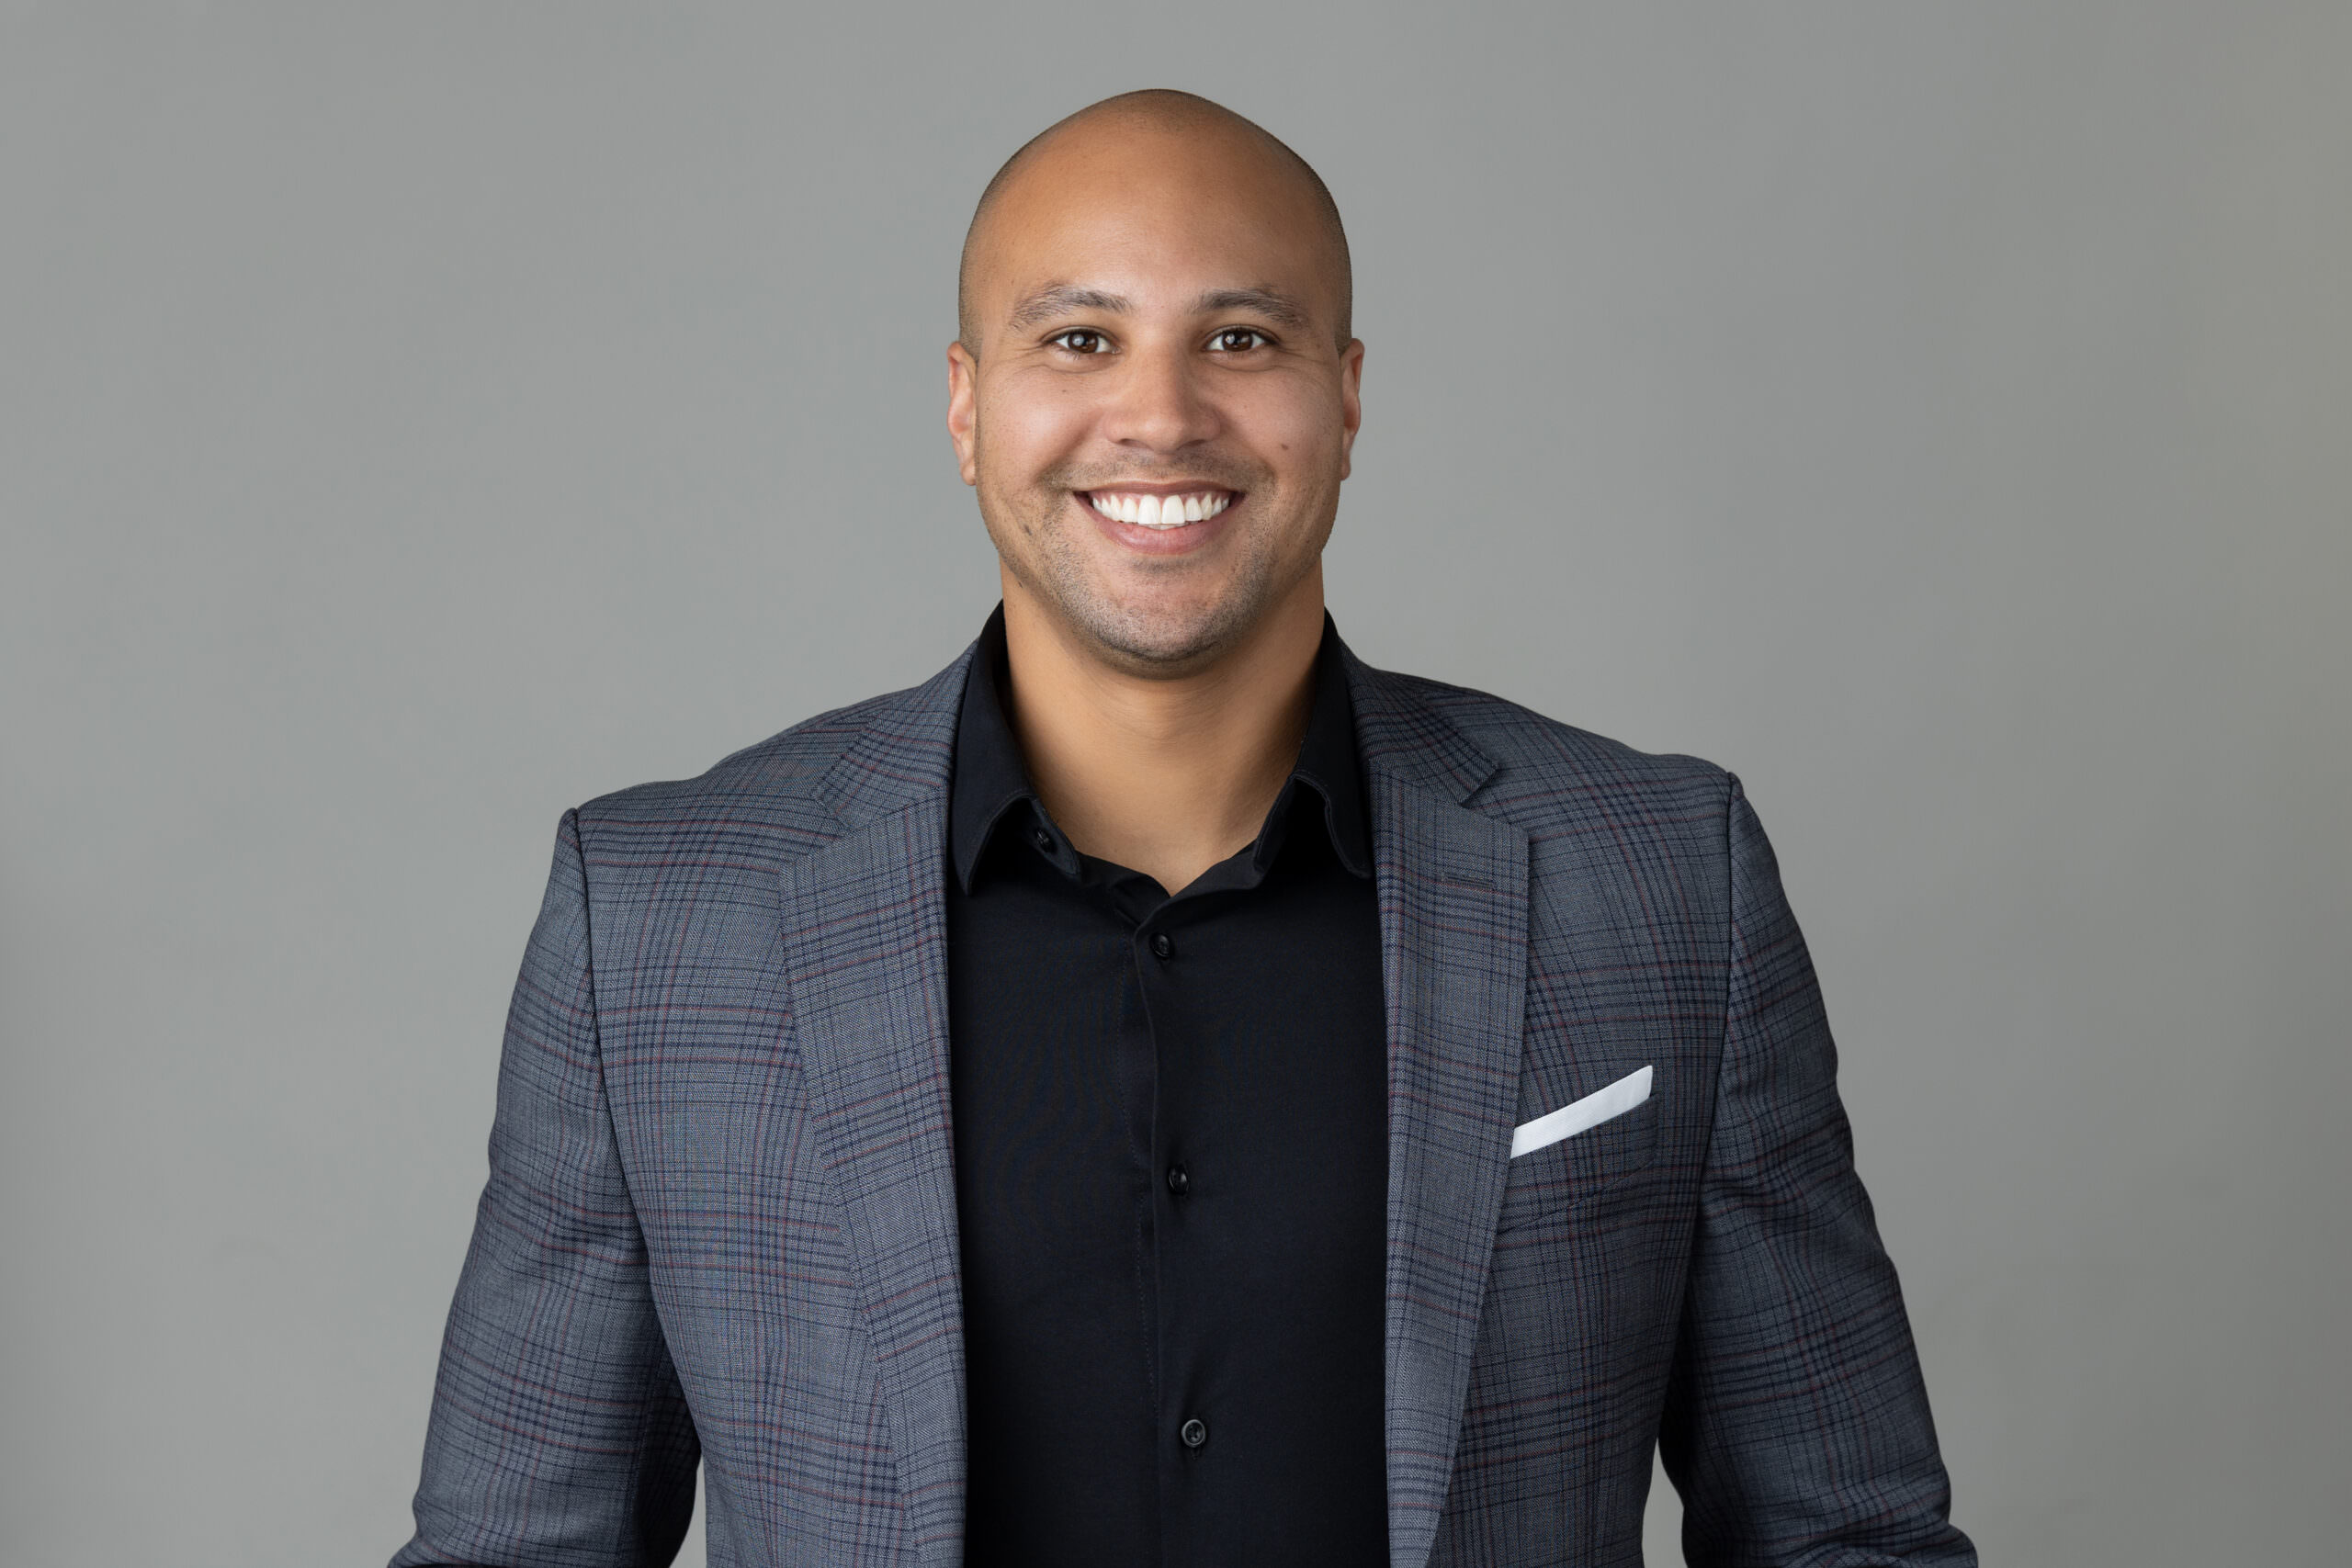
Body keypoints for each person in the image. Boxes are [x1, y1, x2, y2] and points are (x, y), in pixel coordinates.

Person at [392, 89, 1973, 1568]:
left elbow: (1847, 1539)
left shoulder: (1657, 881)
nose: (1158, 415)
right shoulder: (661, 921)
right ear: (966, 405)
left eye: (1239, 335)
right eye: (1079, 338)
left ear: (1345, 397)